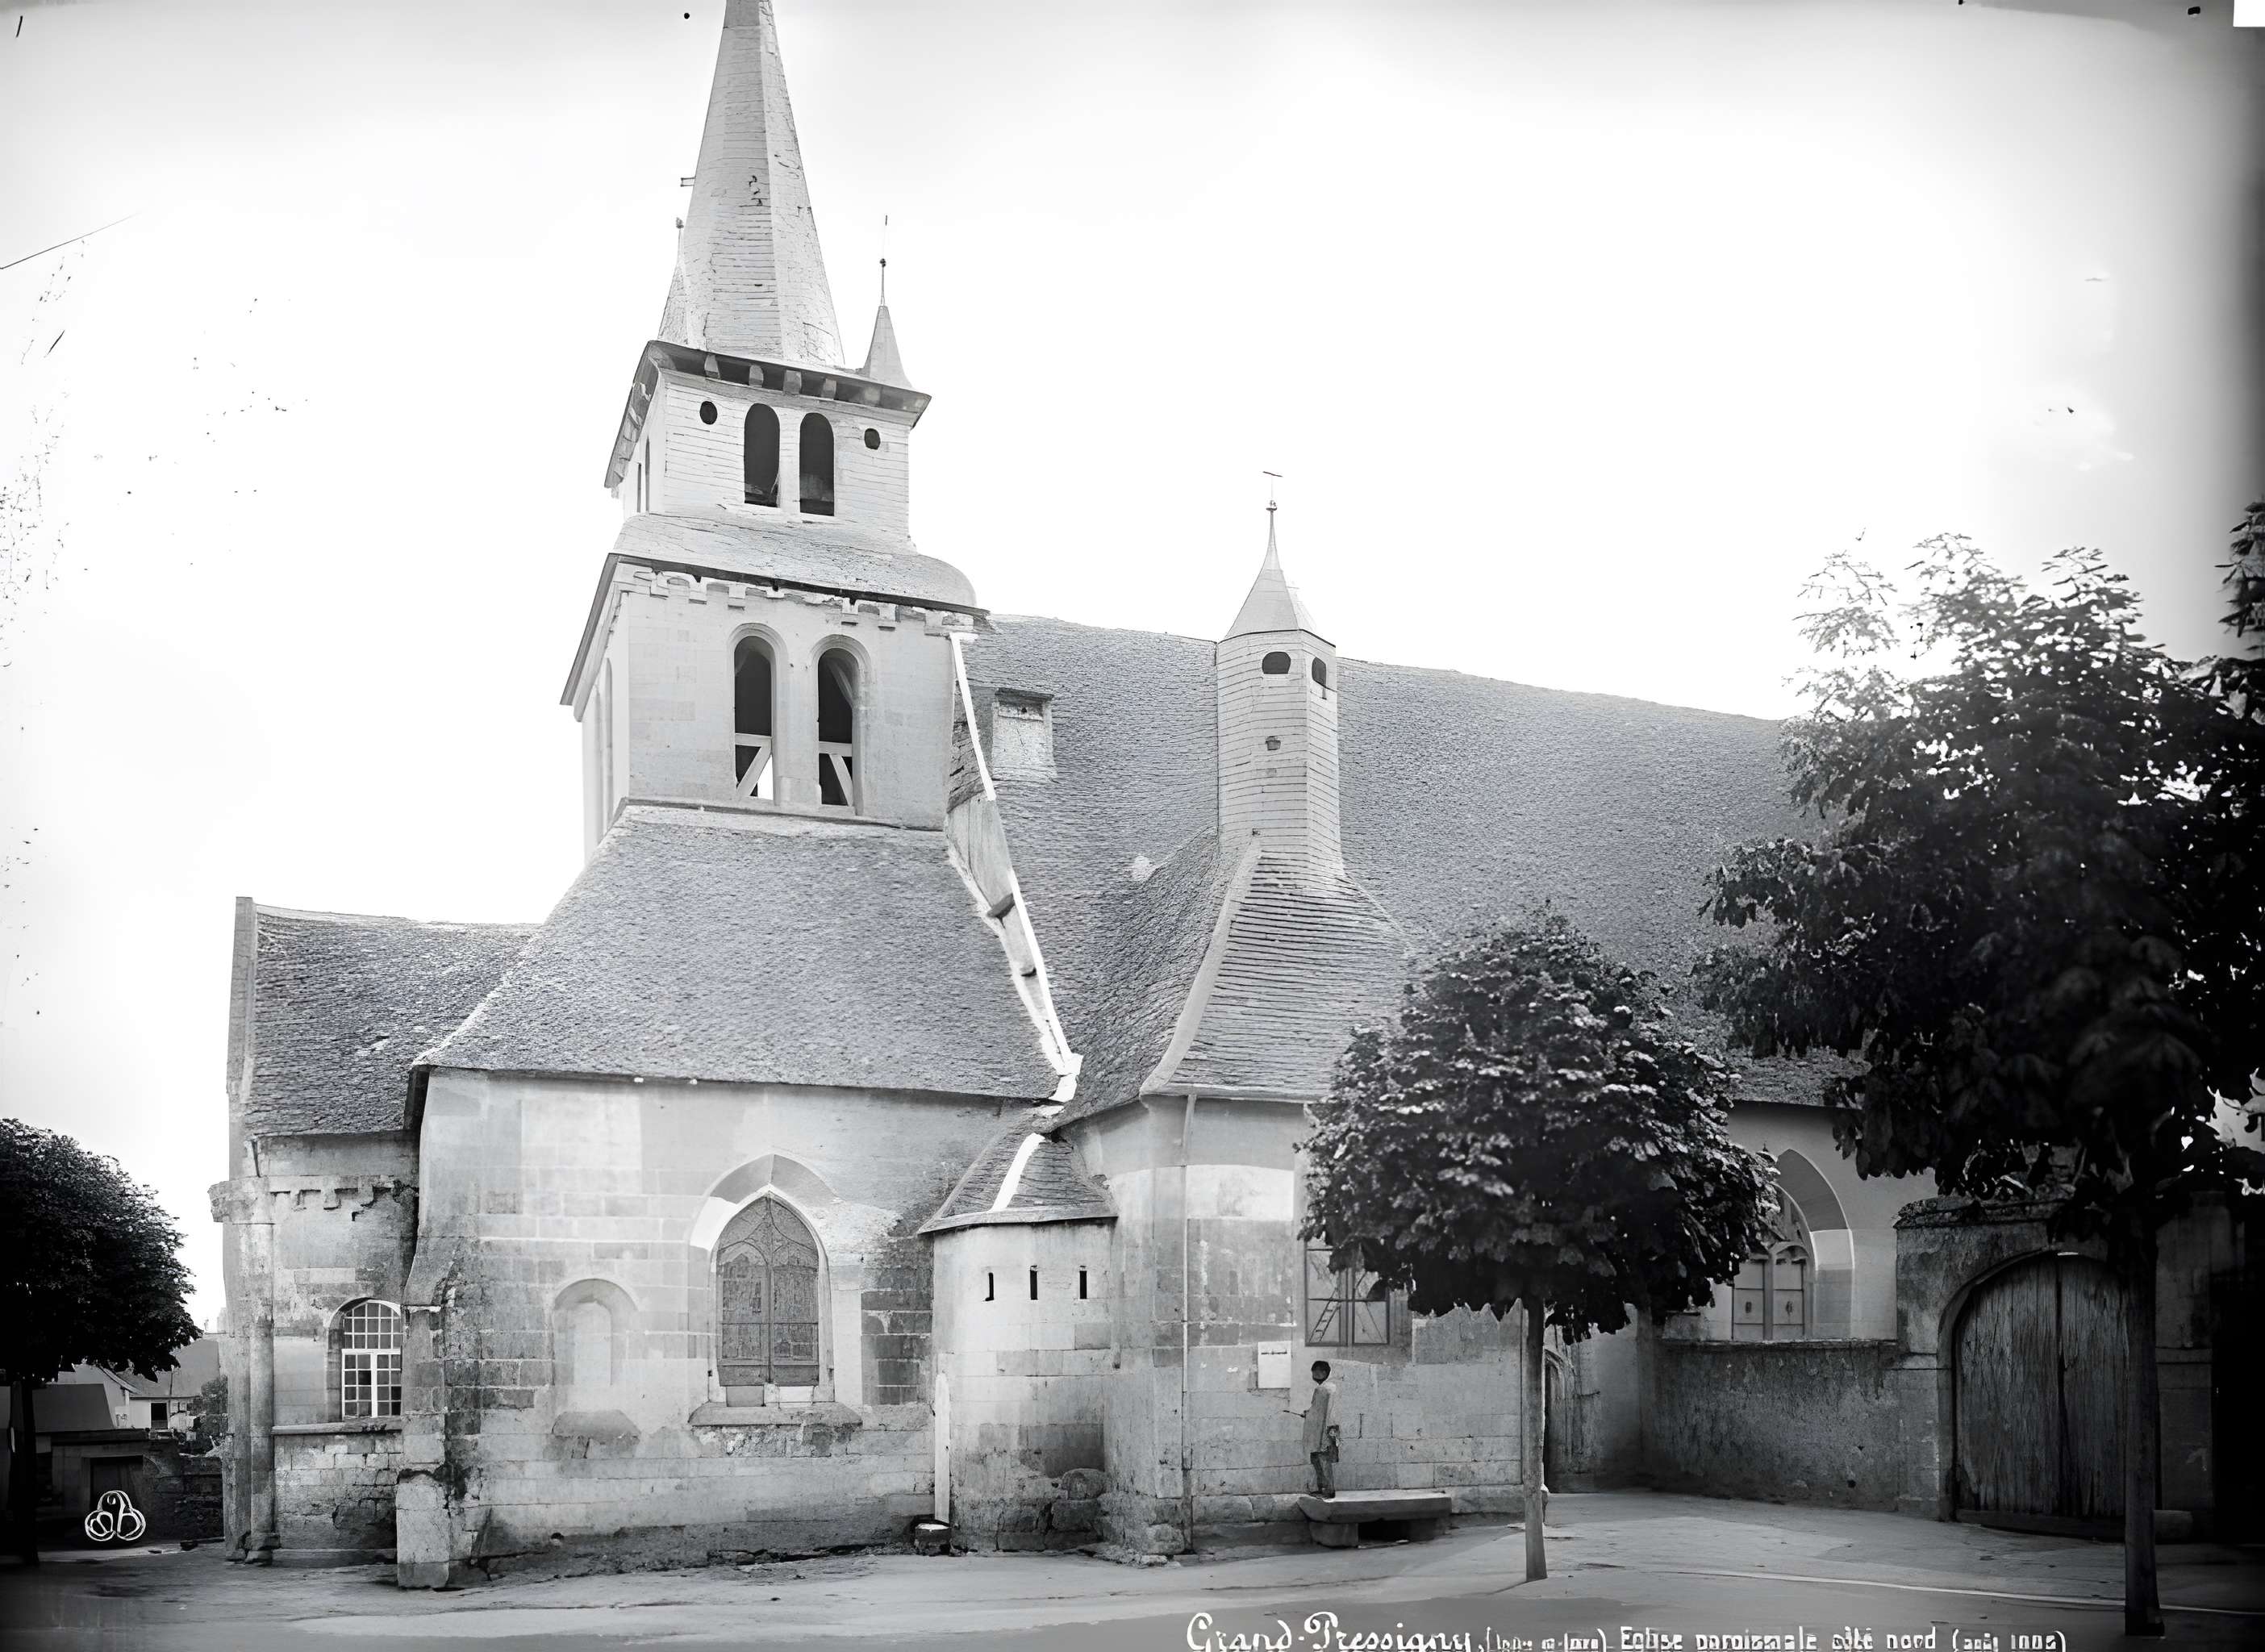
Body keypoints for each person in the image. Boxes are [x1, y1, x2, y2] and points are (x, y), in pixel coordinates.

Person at [1299, 1359, 1341, 1496]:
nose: (1315, 1374)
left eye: (1318, 1371)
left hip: (1323, 1431)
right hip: (1325, 1429)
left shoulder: (1323, 1389)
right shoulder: (1330, 1388)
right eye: (1314, 1371)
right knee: (1319, 1459)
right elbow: (1318, 1410)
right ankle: (1323, 1487)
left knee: (1322, 1459)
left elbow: (1319, 1413)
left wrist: (1308, 1414)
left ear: (1325, 1373)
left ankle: (1328, 1489)